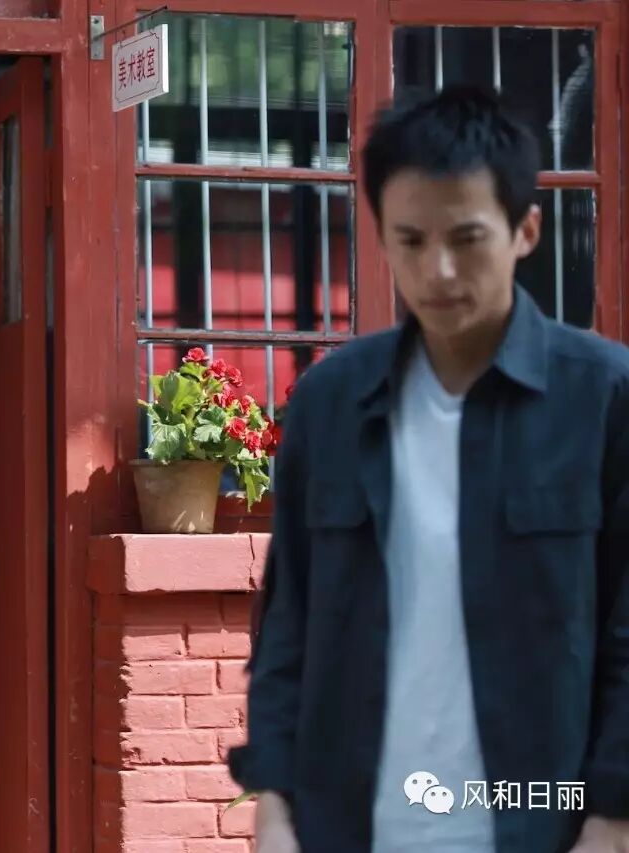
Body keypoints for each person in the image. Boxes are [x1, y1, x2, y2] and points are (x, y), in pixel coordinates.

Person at [227, 87, 629, 853]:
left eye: (466, 238)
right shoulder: (330, 404)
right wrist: (273, 805)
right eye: (410, 240)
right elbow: (289, 623)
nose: (438, 270)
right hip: (350, 829)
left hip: (541, 825)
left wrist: (611, 823)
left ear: (525, 230)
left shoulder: (604, 398)